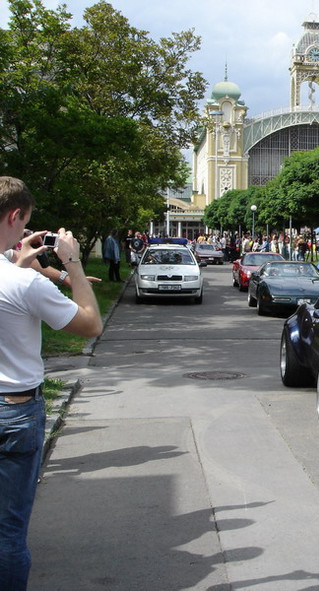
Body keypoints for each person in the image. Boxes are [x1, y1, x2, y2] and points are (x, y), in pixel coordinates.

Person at [0, 176, 103, 590]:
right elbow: (91, 324)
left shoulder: (19, 277)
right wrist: (72, 263)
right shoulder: (23, 284)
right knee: (8, 531)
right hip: (14, 410)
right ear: (15, 216)